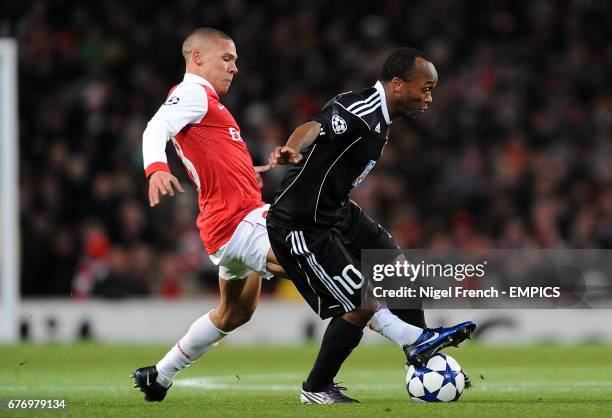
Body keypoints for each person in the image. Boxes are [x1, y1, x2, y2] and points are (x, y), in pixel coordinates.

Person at [267, 47, 476, 404]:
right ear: (397, 84)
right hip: (302, 224)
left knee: (401, 274)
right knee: (361, 305)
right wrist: (291, 148)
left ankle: (421, 355)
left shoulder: (383, 118)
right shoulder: (360, 110)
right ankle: (315, 388)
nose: (430, 98)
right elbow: (315, 126)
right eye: (425, 89)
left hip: (339, 213)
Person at [131, 27, 284, 401]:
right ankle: (410, 339)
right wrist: (156, 169)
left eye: (235, 61)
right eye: (227, 59)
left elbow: (213, 160)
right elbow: (155, 129)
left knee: (235, 312)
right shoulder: (191, 93)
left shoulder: (211, 105)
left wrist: (252, 169)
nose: (234, 68)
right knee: (316, 262)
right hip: (239, 221)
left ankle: (160, 375)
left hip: (226, 225)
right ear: (198, 58)